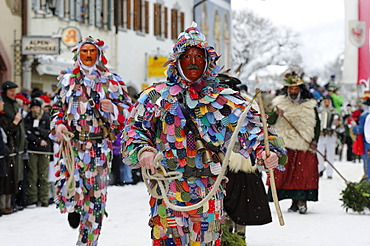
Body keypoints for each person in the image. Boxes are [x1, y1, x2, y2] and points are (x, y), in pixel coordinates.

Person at [122, 24, 284, 245]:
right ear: (177, 61)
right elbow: (133, 131)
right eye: (187, 55)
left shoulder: (222, 100)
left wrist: (268, 152)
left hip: (209, 187)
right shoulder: (155, 97)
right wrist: (143, 150)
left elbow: (255, 130)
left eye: (199, 55)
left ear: (208, 61)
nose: (193, 61)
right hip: (168, 190)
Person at [50, 36, 131, 246]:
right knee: (70, 191)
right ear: (78, 54)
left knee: (95, 201)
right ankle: (74, 208)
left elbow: (128, 111)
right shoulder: (67, 79)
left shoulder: (111, 80)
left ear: (98, 54)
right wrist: (59, 125)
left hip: (98, 148)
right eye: (84, 51)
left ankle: (87, 241)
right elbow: (57, 108)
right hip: (72, 146)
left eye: (91, 51)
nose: (87, 55)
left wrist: (113, 108)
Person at [267, 72, 320, 214]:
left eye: (296, 89)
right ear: (287, 90)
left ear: (301, 89)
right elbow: (270, 121)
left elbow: (317, 124)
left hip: (304, 144)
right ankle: (293, 202)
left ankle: (302, 201)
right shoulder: (279, 104)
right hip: (285, 144)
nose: (294, 91)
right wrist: (275, 114)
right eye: (291, 89)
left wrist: (315, 140)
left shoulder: (310, 105)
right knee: (287, 175)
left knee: (303, 175)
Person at [1, 81, 26, 211]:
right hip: (11, 144)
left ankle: (14, 201)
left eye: (14, 90)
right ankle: (10, 203)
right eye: (11, 91)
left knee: (17, 174)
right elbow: (9, 127)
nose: (13, 93)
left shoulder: (15, 104)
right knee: (11, 175)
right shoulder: (5, 106)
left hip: (19, 145)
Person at [24, 98, 52, 207]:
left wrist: (38, 130)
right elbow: (28, 132)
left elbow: (49, 132)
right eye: (33, 108)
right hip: (33, 149)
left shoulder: (46, 117)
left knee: (43, 174)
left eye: (36, 107)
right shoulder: (28, 118)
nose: (35, 110)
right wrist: (38, 140)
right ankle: (33, 198)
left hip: (44, 150)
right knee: (32, 174)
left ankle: (44, 198)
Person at [0, 95, 16, 215]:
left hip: (7, 151)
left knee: (7, 179)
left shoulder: (3, 116)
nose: (3, 103)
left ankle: (7, 205)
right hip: (3, 152)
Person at [317, 96, 339, 179]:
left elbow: (338, 122)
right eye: (325, 101)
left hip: (331, 135)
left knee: (330, 154)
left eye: (328, 101)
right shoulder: (319, 111)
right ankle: (320, 169)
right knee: (319, 154)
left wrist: (334, 127)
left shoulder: (334, 111)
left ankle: (330, 172)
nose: (326, 103)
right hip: (321, 135)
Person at [352, 92, 370, 180]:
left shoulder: (365, 115)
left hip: (367, 143)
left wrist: (354, 127)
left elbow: (361, 129)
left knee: (367, 166)